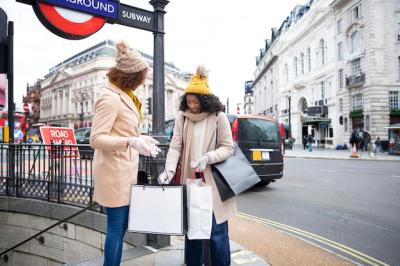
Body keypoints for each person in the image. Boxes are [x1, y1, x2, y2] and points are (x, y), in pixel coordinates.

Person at [90, 41, 161, 266]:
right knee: (116, 230)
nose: (142, 83)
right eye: (141, 78)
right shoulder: (109, 97)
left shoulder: (126, 95)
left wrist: (139, 138)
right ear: (131, 77)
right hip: (114, 173)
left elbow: (123, 128)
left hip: (124, 169)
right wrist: (130, 141)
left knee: (120, 230)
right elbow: (96, 139)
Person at [159, 65, 235, 266]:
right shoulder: (182, 118)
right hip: (190, 183)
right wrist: (169, 170)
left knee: (217, 234)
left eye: (195, 101)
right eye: (188, 101)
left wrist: (208, 158)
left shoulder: (218, 117)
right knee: (193, 233)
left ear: (205, 100)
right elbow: (175, 146)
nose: (191, 105)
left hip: (214, 185)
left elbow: (228, 147)